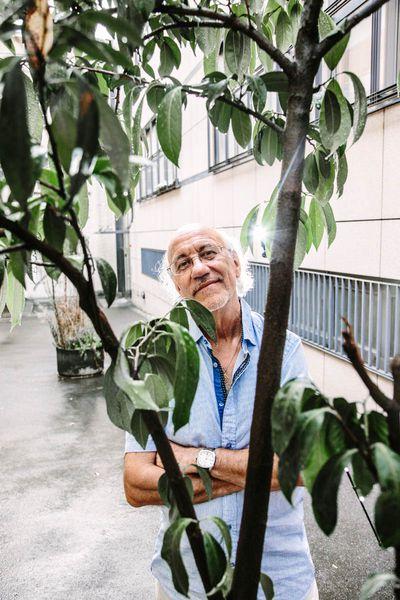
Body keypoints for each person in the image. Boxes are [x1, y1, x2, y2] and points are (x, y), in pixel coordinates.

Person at [124, 225, 318, 600]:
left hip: (279, 577)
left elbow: (306, 465)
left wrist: (193, 458)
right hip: (188, 581)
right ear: (177, 286)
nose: (199, 268)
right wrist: (257, 475)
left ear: (235, 263)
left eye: (209, 254)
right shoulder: (156, 359)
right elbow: (135, 483)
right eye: (183, 263)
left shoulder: (285, 351)